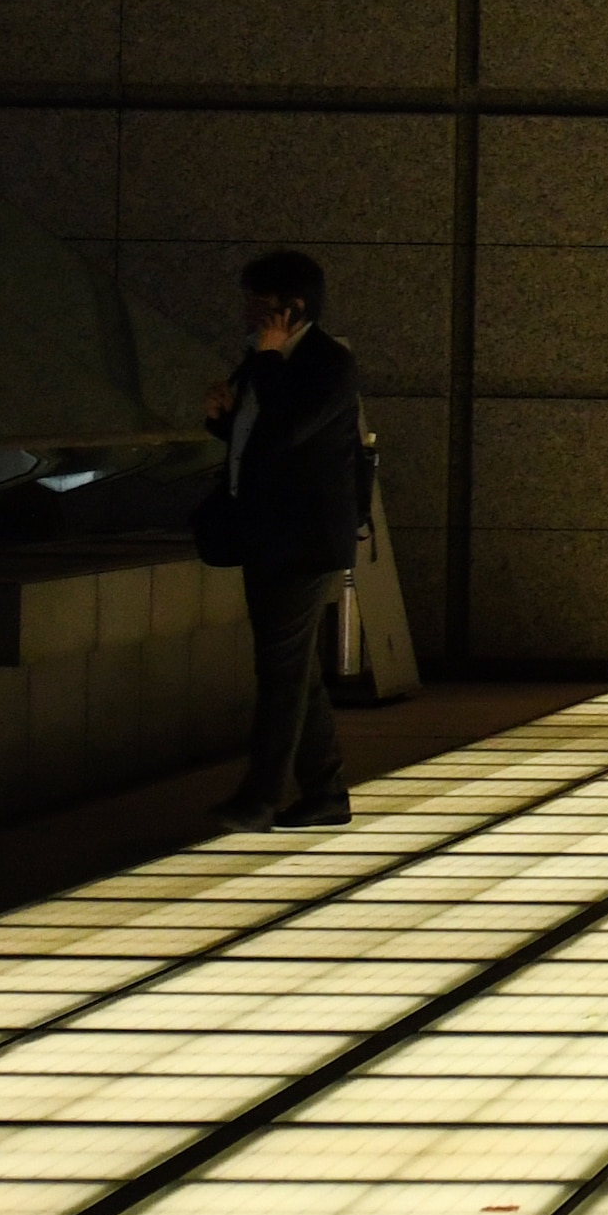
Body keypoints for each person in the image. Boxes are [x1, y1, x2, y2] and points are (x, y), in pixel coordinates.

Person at [207, 248, 366, 834]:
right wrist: (222, 419)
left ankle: (262, 795)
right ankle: (325, 794)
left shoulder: (326, 363)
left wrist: (268, 365)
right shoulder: (260, 361)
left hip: (303, 541)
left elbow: (290, 429)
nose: (248, 313)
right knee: (297, 671)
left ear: (291, 308)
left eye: (259, 302)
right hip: (267, 534)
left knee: (281, 672)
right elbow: (256, 440)